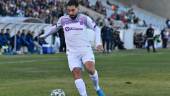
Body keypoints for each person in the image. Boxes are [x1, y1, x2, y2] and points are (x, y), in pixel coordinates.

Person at [40, 0, 105, 96]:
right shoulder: (63, 19)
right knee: (76, 73)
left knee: (90, 69)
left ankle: (97, 88)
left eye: (73, 10)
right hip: (72, 53)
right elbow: (55, 28)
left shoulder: (84, 18)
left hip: (85, 50)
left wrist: (98, 43)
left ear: (78, 9)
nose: (70, 13)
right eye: (68, 10)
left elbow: (97, 29)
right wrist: (45, 35)